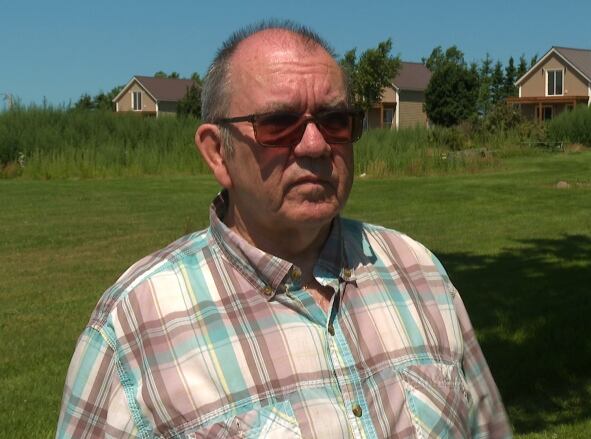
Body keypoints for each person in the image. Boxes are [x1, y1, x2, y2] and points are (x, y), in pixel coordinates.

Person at [57, 21, 511, 438]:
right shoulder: (136, 325)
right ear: (217, 153)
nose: (315, 144)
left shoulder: (419, 273)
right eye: (278, 124)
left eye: (334, 121)